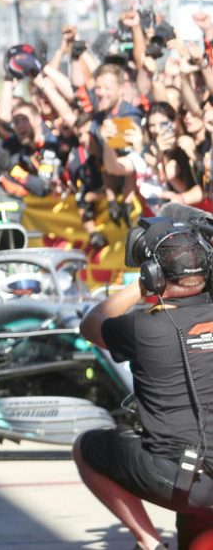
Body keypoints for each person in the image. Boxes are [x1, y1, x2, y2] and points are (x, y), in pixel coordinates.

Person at [76, 223, 213, 549]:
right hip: (202, 480)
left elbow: (91, 324)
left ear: (155, 274)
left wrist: (139, 286)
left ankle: (150, 543)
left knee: (86, 448)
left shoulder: (142, 327)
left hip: (180, 481)